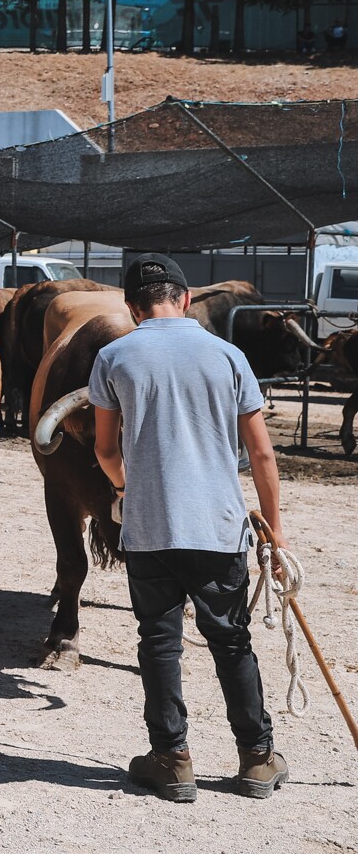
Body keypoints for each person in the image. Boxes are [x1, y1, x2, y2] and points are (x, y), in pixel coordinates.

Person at [92, 252, 288, 802]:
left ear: (133, 309)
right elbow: (263, 455)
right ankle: (255, 759)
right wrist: (276, 533)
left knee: (158, 642)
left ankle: (172, 761)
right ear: (184, 298)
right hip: (219, 525)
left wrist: (130, 487)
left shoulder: (113, 356)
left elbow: (107, 451)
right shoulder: (228, 356)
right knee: (231, 641)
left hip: (150, 527)